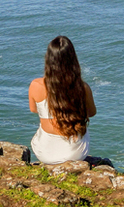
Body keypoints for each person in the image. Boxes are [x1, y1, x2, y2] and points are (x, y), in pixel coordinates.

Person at [28, 35, 96, 164]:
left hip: (44, 153)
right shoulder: (82, 87)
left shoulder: (35, 85)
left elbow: (34, 109)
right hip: (75, 154)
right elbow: (91, 113)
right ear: (73, 60)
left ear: (48, 59)